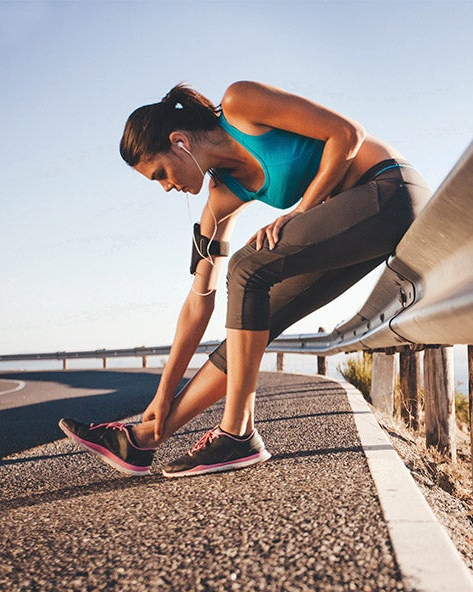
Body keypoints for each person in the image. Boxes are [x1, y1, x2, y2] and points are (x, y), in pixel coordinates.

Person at [59, 81, 430, 477]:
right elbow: (198, 302)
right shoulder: (221, 197)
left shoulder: (240, 104)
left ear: (179, 141)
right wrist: (163, 394)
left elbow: (348, 134)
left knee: (246, 266)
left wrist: (301, 211)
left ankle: (237, 432)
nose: (167, 186)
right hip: (356, 223)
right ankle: (143, 439)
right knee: (252, 322)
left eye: (161, 174)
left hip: (390, 190)